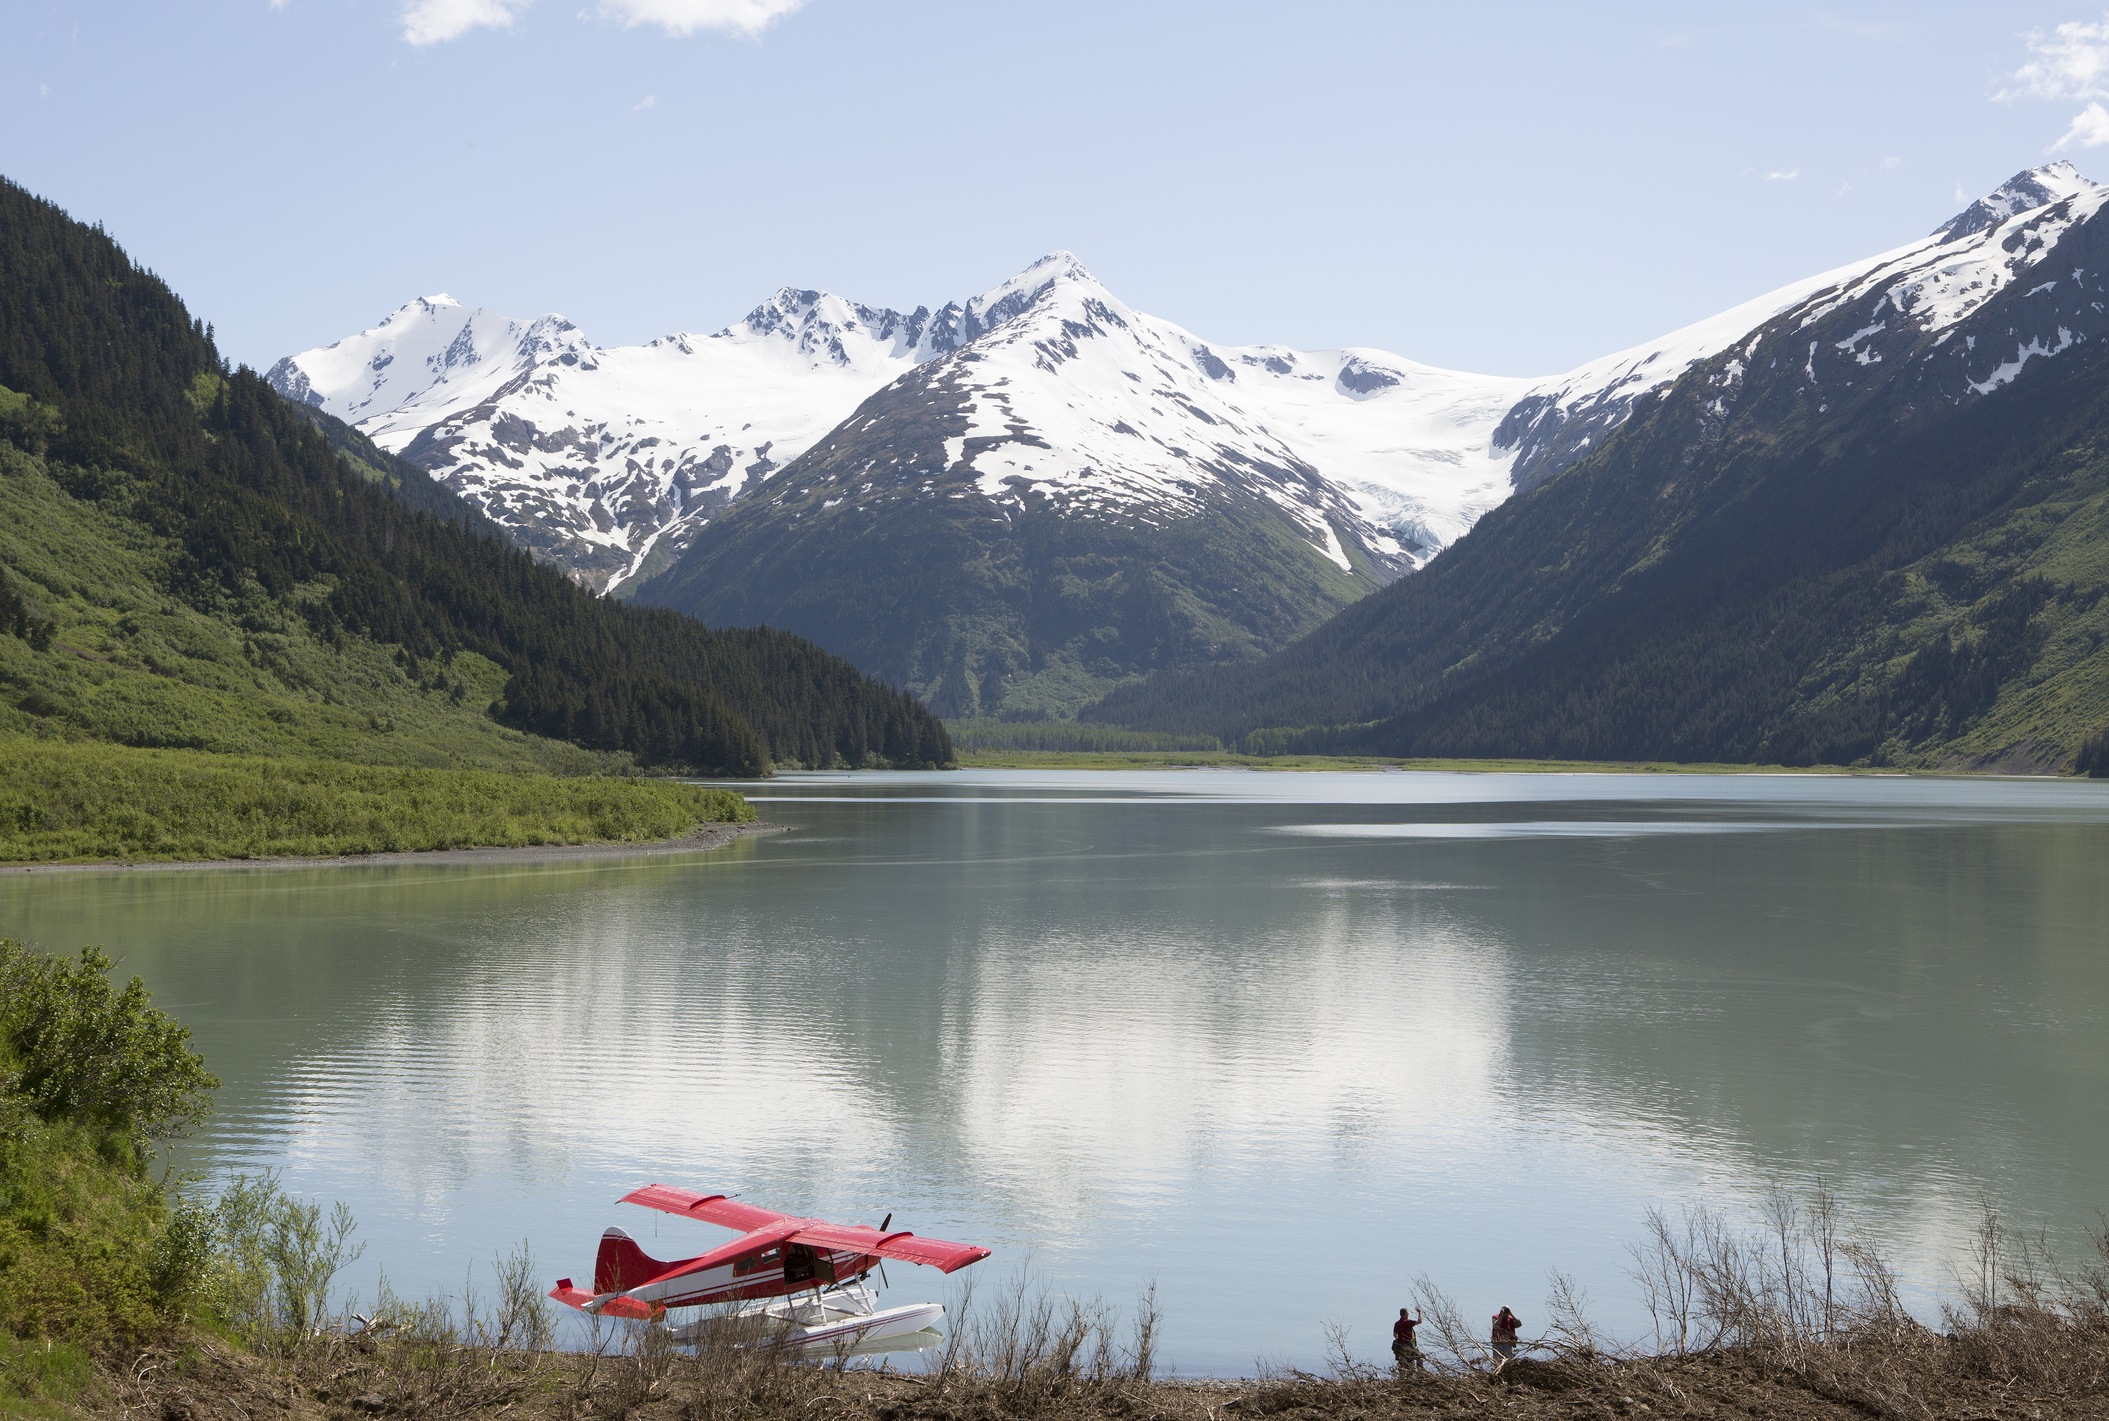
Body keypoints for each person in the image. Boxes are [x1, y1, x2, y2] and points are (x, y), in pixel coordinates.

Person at [1391, 1306, 1423, 1372]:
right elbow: (1420, 1321)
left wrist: (1400, 1337)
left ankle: (1402, 1375)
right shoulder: (1408, 1322)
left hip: (1400, 1346)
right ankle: (1420, 1372)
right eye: (1407, 1313)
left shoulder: (1397, 1323)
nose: (1408, 1314)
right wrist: (1419, 1312)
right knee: (1420, 1357)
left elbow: (1395, 1335)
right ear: (1405, 1314)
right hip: (1408, 1345)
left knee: (1403, 1361)